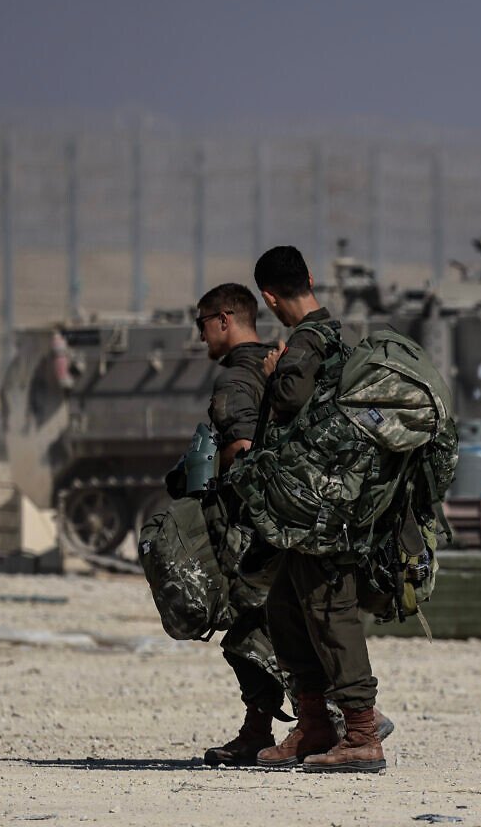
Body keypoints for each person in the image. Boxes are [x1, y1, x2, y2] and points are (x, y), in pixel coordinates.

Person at [250, 245, 392, 773]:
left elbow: (289, 403)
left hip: (321, 509)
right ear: (309, 277)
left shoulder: (307, 343)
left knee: (330, 614)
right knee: (285, 609)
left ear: (268, 297)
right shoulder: (337, 336)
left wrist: (274, 374)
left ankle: (360, 734)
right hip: (315, 506)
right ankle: (313, 727)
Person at [192, 282, 288, 766]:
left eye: (202, 325)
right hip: (291, 519)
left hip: (254, 524)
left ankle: (339, 718)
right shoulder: (276, 365)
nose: (201, 337)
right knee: (271, 625)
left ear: (225, 319)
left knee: (250, 628)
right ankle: (260, 728)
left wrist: (236, 507)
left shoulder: (234, 379)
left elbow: (242, 448)